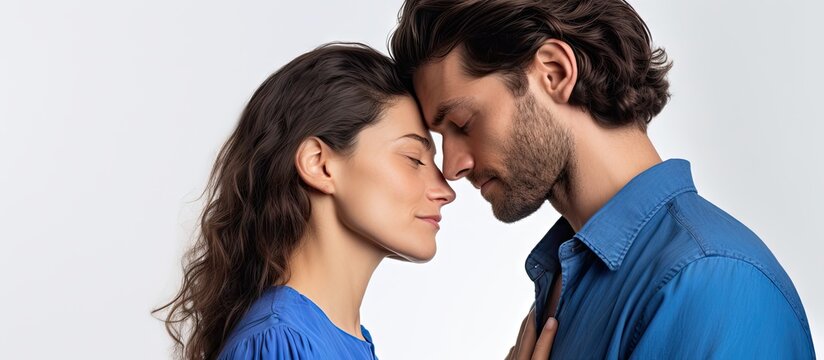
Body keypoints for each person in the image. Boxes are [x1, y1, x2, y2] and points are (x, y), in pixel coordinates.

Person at [390, 0, 816, 358]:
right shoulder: (564, 275)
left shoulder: (712, 284)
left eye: (463, 123)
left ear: (554, 73)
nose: (451, 166)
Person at [153, 43, 460, 359]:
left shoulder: (337, 341)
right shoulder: (280, 340)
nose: (445, 190)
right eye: (413, 158)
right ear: (319, 164)